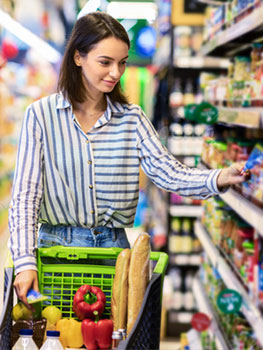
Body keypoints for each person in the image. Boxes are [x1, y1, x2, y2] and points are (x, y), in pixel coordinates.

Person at [9, 11, 247, 308]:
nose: (116, 73)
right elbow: (25, 196)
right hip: (57, 253)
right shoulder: (41, 116)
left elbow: (168, 173)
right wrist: (24, 261)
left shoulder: (131, 118)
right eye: (105, 62)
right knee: (59, 336)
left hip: (114, 255)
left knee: (111, 339)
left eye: (122, 63)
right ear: (78, 58)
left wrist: (221, 177)